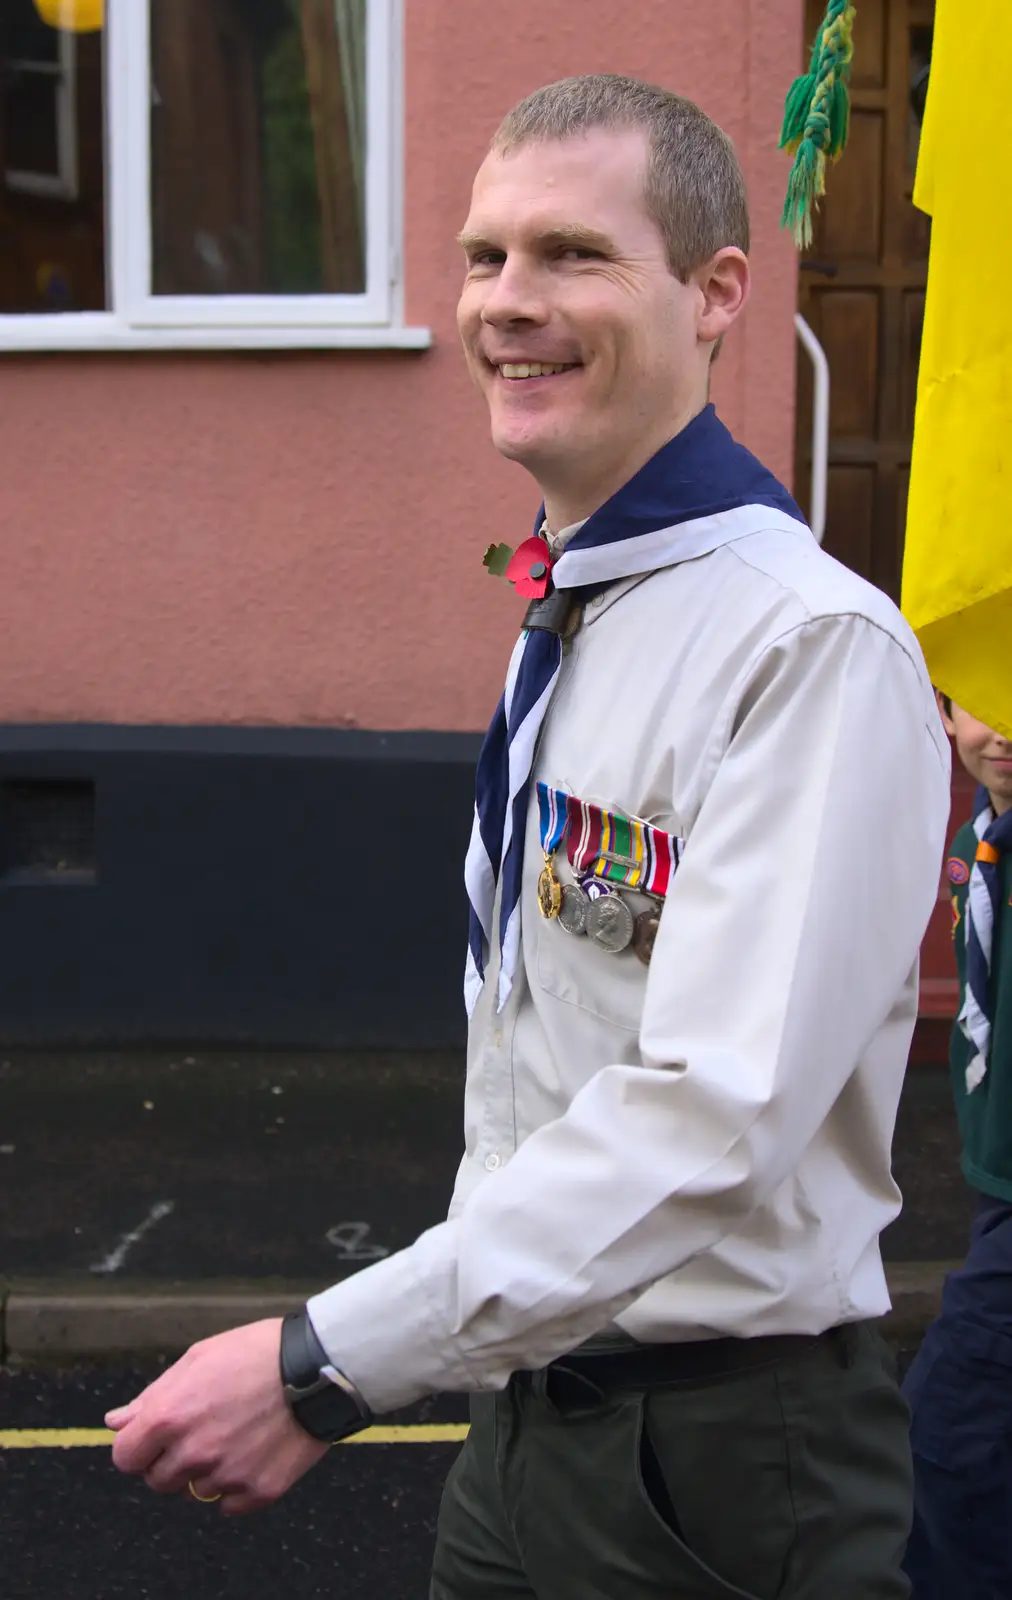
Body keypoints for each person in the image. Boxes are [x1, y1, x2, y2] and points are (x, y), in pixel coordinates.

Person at [106, 75, 951, 1598]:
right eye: (486, 256)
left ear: (716, 296)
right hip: (522, 1420)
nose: (508, 303)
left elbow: (715, 1119)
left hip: (714, 1462)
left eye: (573, 254)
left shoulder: (808, 645)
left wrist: (325, 1362)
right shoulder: (586, 596)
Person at [903, 698, 1012, 1600]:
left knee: (951, 1431)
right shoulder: (974, 841)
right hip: (996, 1180)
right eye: (981, 699)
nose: (1002, 728)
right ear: (944, 712)